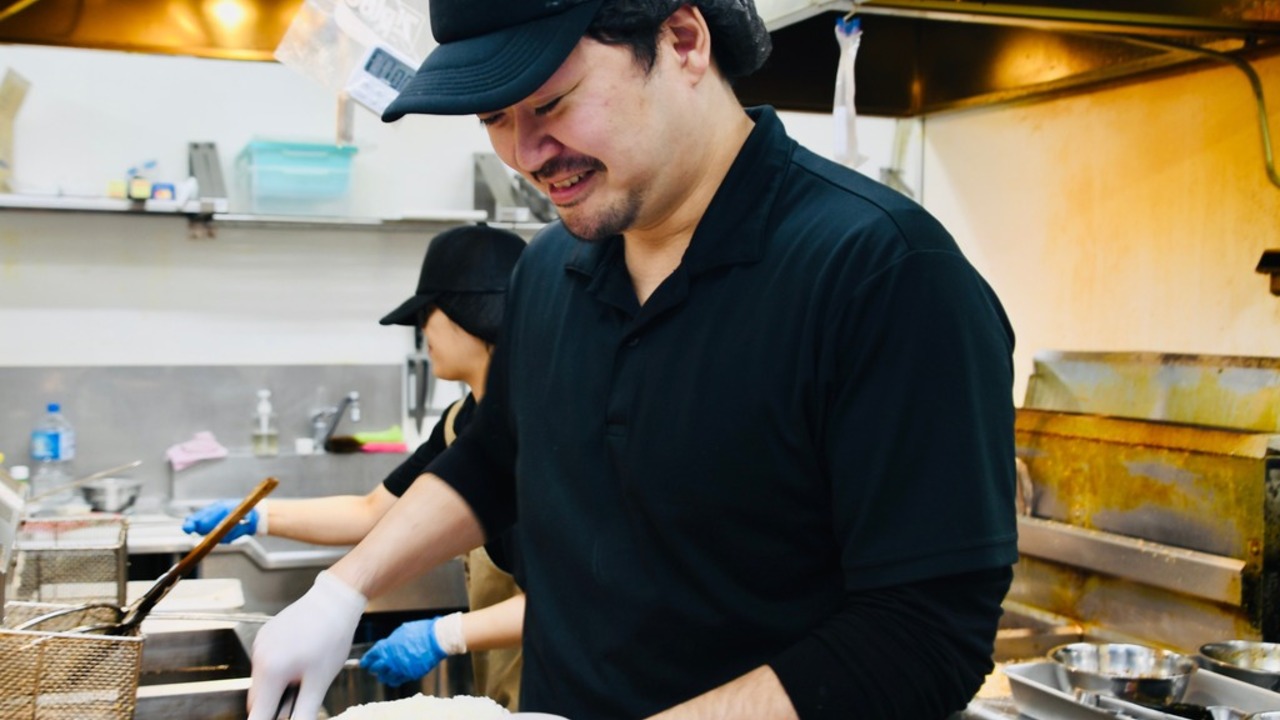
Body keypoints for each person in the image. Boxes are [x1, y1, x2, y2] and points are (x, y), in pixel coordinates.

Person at [247, 1, 1020, 719]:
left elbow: (924, 634)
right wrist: (343, 588)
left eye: (550, 103)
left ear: (682, 41)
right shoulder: (551, 270)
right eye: (494, 116)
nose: (525, 152)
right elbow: (497, 459)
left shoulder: (881, 273)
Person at [184, 223, 528, 710]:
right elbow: (373, 512)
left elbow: (574, 601)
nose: (422, 332)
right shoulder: (459, 424)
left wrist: (443, 634)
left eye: (427, 313)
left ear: (467, 315)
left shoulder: (542, 435)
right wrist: (260, 517)